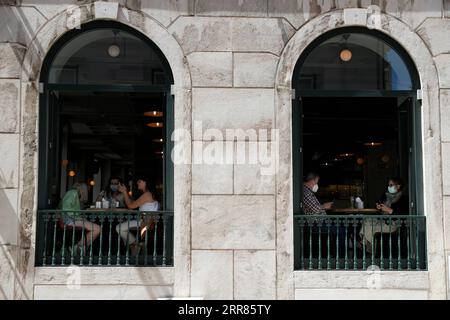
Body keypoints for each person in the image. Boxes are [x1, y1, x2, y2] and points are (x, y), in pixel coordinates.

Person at [360, 177, 409, 252]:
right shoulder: (385, 195)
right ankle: (365, 245)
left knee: (371, 228)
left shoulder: (403, 198)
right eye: (388, 185)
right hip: (382, 221)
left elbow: (403, 214)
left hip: (393, 224)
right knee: (367, 220)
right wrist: (378, 206)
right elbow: (379, 203)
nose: (389, 187)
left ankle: (366, 247)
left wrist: (390, 210)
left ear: (398, 186)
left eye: (391, 185)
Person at [115, 177, 160, 255]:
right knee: (122, 226)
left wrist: (125, 192)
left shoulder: (147, 194)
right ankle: (136, 245)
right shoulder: (150, 194)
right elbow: (135, 204)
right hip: (147, 222)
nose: (137, 183)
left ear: (145, 183)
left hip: (144, 222)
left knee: (119, 228)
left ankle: (135, 245)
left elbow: (130, 205)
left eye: (139, 181)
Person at [61, 182, 101, 255]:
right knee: (97, 228)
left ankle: (80, 248)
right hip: (70, 220)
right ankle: (77, 247)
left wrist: (81, 217)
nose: (88, 192)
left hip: (72, 220)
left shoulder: (75, 194)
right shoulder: (73, 193)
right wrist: (79, 218)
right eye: (87, 190)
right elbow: (67, 209)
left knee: (96, 228)